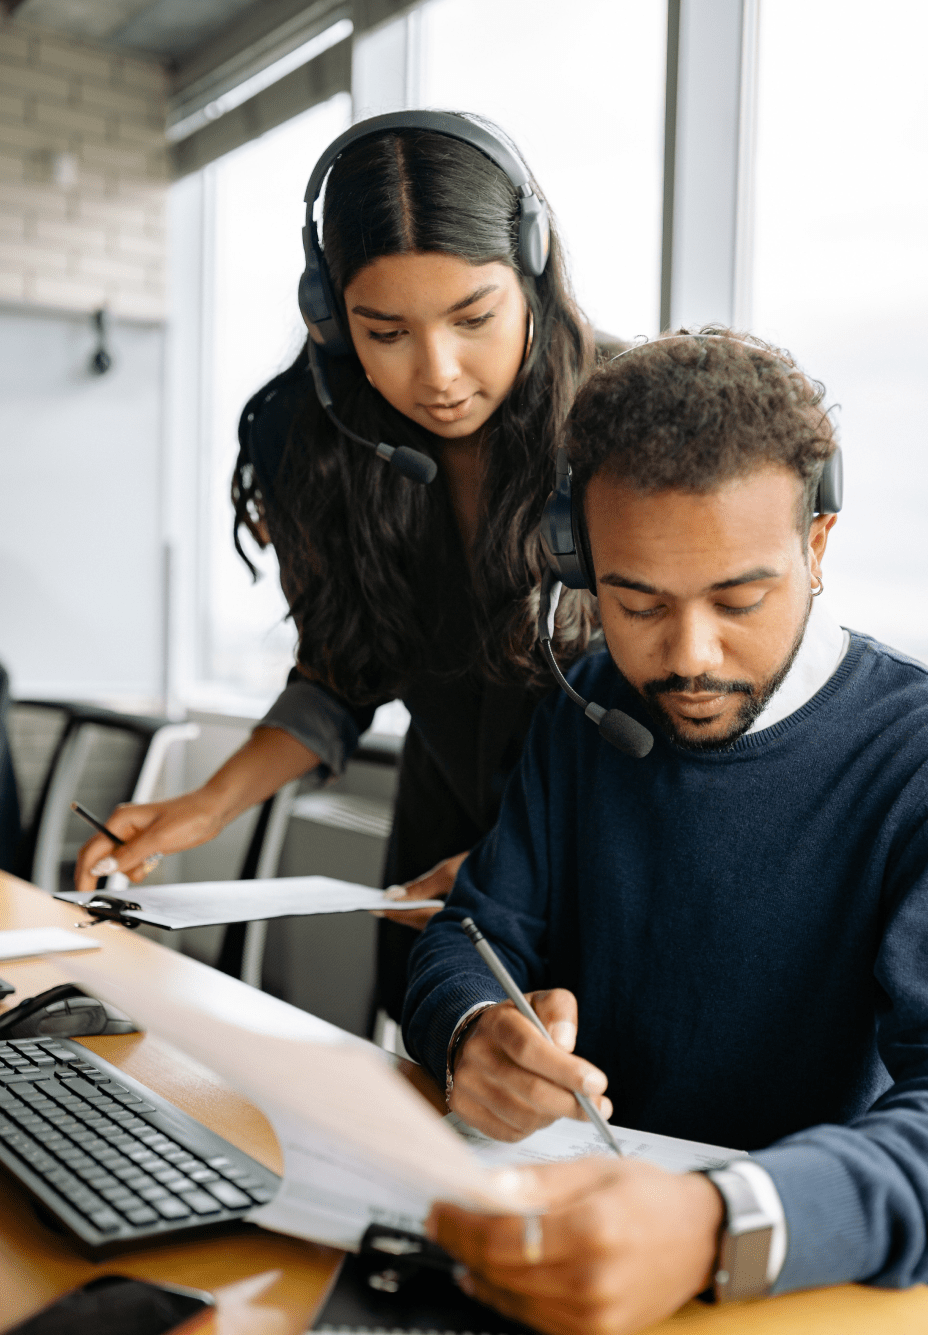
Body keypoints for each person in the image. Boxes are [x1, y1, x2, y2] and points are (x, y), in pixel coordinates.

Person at [403, 330, 928, 1335]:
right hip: (572, 1267)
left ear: (815, 549)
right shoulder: (585, 711)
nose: (687, 657)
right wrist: (471, 1029)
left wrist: (717, 1221)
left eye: (738, 599)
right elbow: (468, 934)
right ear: (581, 562)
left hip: (818, 1314)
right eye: (635, 602)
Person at [74, 112, 599, 1020]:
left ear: (534, 272)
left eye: (474, 316)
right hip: (435, 865)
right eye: (383, 331)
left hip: (608, 861)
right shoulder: (317, 443)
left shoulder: (625, 426)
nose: (437, 372)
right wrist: (204, 805)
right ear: (329, 314)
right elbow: (340, 672)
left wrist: (533, 862)